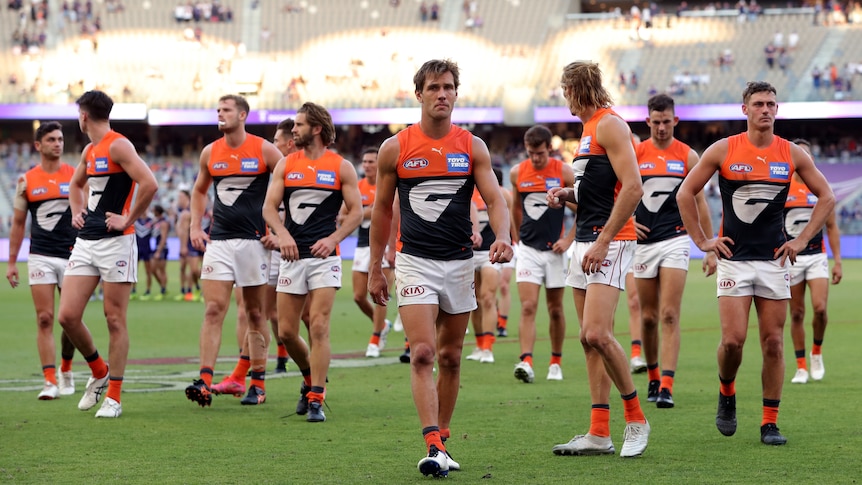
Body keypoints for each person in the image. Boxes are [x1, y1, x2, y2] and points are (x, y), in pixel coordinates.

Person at [367, 59, 513, 477]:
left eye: (449, 87)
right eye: (433, 87)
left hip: (460, 264)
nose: (442, 94)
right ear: (419, 94)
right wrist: (378, 266)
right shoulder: (395, 148)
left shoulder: (472, 147)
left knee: (450, 357)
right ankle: (431, 443)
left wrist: (501, 234)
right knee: (424, 352)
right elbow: (380, 211)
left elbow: (496, 199)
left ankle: (443, 441)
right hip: (414, 262)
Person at [676, 82, 835, 445]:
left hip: (774, 261)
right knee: (732, 342)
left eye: (771, 104)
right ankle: (727, 391)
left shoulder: (792, 154)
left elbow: (826, 197)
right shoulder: (723, 149)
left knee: (774, 343)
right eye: (759, 104)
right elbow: (685, 192)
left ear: (777, 110)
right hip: (734, 261)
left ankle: (769, 422)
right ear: (744, 109)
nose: (766, 109)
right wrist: (703, 242)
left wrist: (800, 239)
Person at [547, 61, 650, 458]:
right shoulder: (587, 132)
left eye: (565, 89)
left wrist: (605, 239)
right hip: (585, 242)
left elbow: (634, 188)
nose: (564, 97)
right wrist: (566, 194)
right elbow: (596, 192)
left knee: (596, 334)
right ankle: (599, 432)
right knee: (587, 341)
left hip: (608, 241)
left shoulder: (610, 125)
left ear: (575, 88)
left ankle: (637, 419)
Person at [57, 90, 159, 418]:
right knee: (67, 316)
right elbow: (75, 186)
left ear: (83, 116)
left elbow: (150, 183)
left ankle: (114, 396)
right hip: (87, 241)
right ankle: (99, 371)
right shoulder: (89, 150)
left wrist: (128, 219)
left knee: (114, 319)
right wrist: (76, 211)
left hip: (117, 242)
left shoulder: (118, 145)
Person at [262, 102, 363, 422]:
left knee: (318, 324)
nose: (294, 130)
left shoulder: (341, 166)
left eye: (300, 125)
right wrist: (282, 235)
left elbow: (357, 213)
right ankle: (309, 379)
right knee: (288, 333)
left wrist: (334, 240)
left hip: (324, 259)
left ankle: (317, 397)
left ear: (317, 128)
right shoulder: (286, 164)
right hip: (292, 257)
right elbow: (268, 208)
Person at [184, 94, 283, 408]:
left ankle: (257, 383)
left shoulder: (265, 149)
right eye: (218, 110)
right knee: (214, 310)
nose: (220, 114)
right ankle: (205, 379)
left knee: (255, 313)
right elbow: (199, 191)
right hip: (220, 241)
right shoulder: (210, 152)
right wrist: (195, 227)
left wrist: (278, 231)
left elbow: (289, 186)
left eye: (226, 110)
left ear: (242, 115)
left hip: (254, 242)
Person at [633, 93, 717, 408]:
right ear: (648, 122)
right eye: (656, 122)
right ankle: (653, 375)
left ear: (675, 121)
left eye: (667, 122)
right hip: (642, 244)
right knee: (650, 316)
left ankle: (667, 384)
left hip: (676, 240)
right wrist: (628, 221)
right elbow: (619, 193)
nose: (662, 128)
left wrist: (708, 247)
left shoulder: (688, 156)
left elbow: (699, 203)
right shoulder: (635, 153)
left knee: (669, 313)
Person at [6, 121, 79, 400]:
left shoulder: (75, 176)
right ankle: (49, 381)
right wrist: (12, 262)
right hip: (40, 256)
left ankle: (67, 369)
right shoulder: (26, 180)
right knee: (45, 318)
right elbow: (17, 224)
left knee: (71, 320)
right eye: (51, 139)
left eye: (60, 139)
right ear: (38, 145)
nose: (57, 143)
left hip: (73, 256)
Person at [510, 124, 575, 383]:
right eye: (530, 153)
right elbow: (515, 207)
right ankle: (526, 360)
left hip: (555, 251)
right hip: (527, 250)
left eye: (539, 153)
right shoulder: (517, 173)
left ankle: (556, 362)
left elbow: (585, 207)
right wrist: (516, 238)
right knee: (527, 306)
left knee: (555, 309)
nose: (535, 158)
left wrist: (568, 239)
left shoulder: (564, 172)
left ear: (550, 148)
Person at [785, 139, 842, 384]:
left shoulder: (820, 188)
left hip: (816, 256)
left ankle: (816, 352)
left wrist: (837, 261)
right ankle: (801, 367)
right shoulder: (782, 188)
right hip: (791, 258)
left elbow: (831, 227)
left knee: (820, 308)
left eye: (806, 154)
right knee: (796, 313)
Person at [349, 146, 394, 358]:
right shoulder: (357, 187)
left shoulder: (388, 185)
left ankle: (375, 339)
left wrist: (362, 212)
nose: (366, 165)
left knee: (379, 295)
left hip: (383, 245)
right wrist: (367, 212)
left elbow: (388, 213)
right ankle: (382, 324)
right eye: (364, 162)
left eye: (371, 161)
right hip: (361, 245)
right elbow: (345, 215)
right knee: (358, 296)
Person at [464, 167, 508, 364]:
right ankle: (479, 344)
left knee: (488, 297)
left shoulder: (497, 192)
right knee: (473, 301)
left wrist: (509, 239)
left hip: (491, 253)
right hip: (469, 253)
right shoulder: (465, 191)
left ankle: (488, 347)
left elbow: (507, 215)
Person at [131, 210, 155, 300]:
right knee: (134, 271)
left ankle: (148, 290)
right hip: (136, 248)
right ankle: (133, 290)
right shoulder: (135, 220)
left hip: (147, 248)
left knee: (148, 271)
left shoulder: (151, 221)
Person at [149, 204, 170, 300]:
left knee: (161, 270)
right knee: (153, 269)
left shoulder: (163, 223)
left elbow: (164, 237)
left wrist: (159, 251)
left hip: (162, 248)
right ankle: (163, 286)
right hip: (156, 247)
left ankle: (163, 289)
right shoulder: (156, 221)